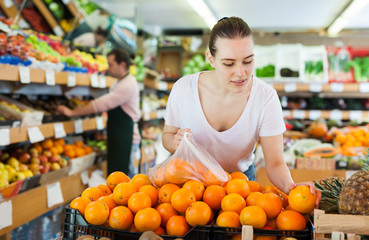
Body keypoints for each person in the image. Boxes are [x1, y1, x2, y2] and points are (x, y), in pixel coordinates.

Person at [162, 17, 320, 202]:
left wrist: (290, 187)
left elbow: (275, 162)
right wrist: (175, 143)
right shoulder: (184, 89)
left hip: (240, 190)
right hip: (187, 190)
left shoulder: (265, 98)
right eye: (229, 63)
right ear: (211, 59)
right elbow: (168, 135)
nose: (241, 72)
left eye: (248, 61)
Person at [57, 48, 141, 177]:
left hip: (127, 137)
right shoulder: (120, 81)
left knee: (125, 178)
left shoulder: (127, 84)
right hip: (119, 134)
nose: (108, 68)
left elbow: (101, 104)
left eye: (111, 64)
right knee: (118, 177)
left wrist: (72, 113)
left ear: (122, 65)